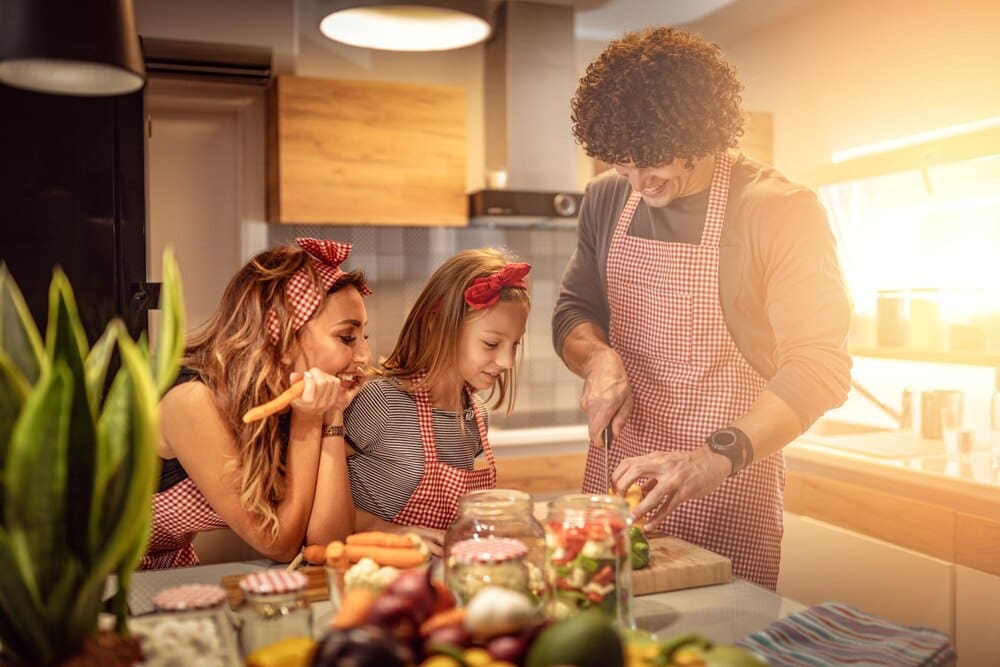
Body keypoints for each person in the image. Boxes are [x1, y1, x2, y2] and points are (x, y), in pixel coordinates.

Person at [552, 26, 852, 588]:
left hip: (729, 483)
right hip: (620, 480)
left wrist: (708, 459)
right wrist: (598, 359)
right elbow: (573, 310)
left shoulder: (778, 209)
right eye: (622, 164)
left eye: (653, 163)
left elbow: (820, 367)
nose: (639, 184)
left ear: (702, 130)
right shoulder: (606, 197)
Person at [142, 238, 371, 569]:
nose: (364, 355)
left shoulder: (287, 398)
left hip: (164, 568)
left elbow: (326, 545)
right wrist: (308, 423)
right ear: (281, 336)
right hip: (92, 575)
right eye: (347, 338)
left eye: (365, 337)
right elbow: (277, 545)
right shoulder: (192, 401)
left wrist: (331, 414)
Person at [344, 248, 531, 555]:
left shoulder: (475, 414)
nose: (507, 361)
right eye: (491, 343)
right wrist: (391, 532)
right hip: (369, 571)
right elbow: (316, 502)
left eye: (514, 344)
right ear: (437, 324)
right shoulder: (382, 402)